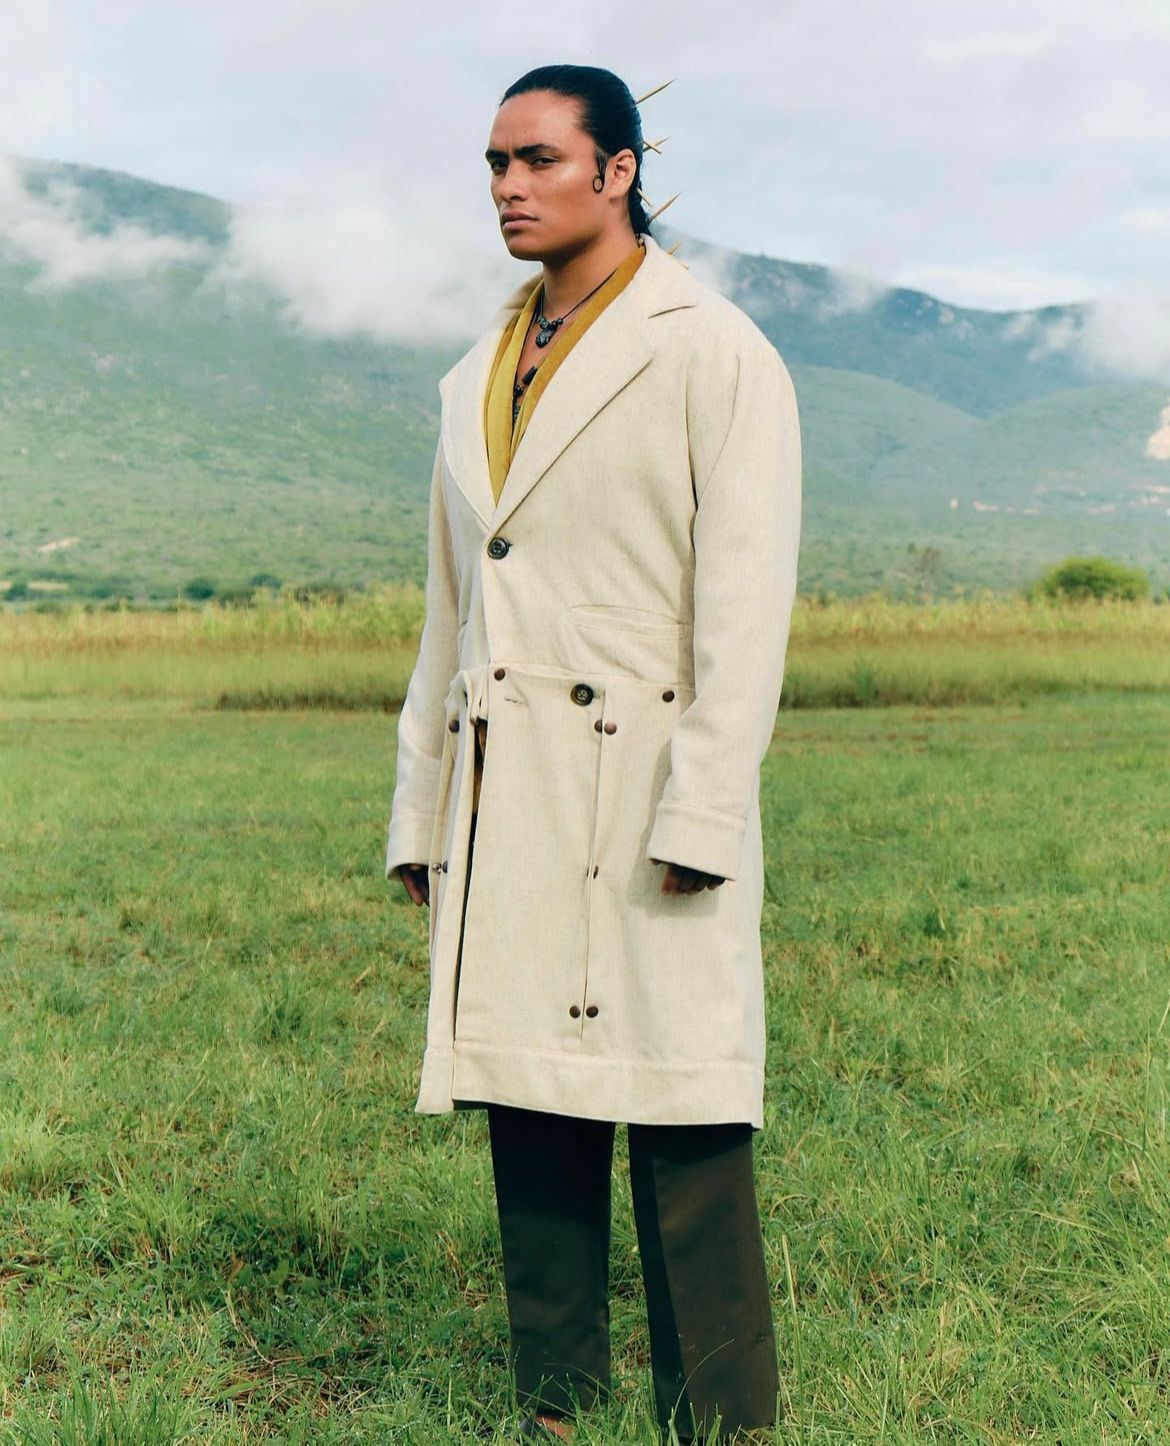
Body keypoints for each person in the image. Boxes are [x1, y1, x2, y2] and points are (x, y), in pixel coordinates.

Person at [385, 63, 802, 1444]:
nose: (506, 185)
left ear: (616, 169)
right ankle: (554, 1408)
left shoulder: (711, 347)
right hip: (509, 784)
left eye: (537, 158)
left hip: (642, 780)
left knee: (684, 1108)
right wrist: (423, 811)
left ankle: (722, 1419)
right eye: (493, 162)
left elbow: (742, 611)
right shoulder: (470, 374)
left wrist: (701, 814)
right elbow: (452, 607)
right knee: (528, 1096)